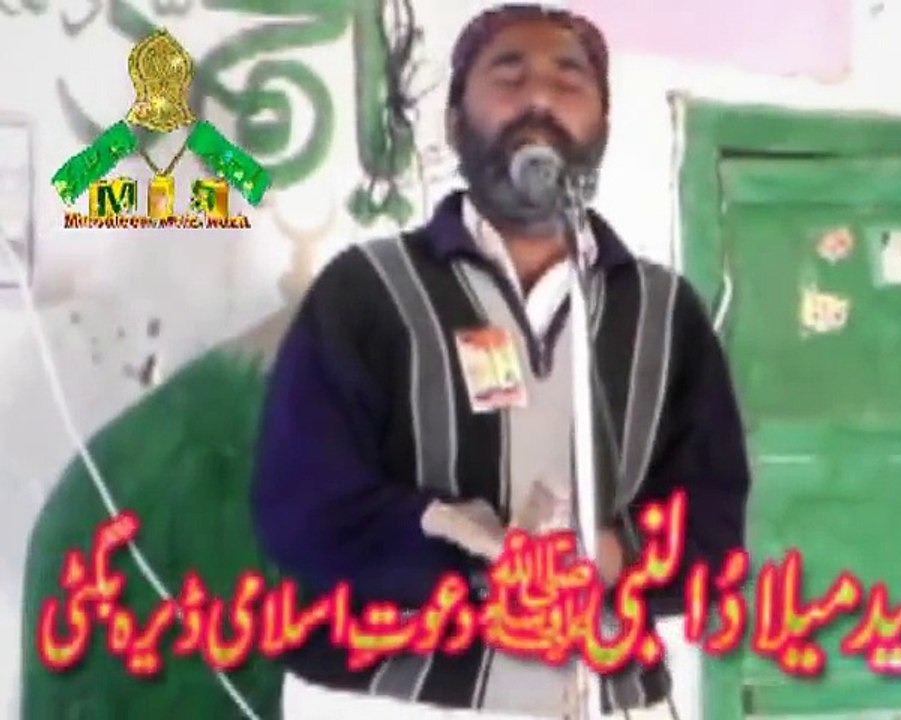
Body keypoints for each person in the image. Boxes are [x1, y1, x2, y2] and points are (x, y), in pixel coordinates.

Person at [250, 4, 751, 718]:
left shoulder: (664, 312)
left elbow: (713, 526)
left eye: (569, 79)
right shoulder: (368, 291)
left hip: (606, 695)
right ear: (456, 123)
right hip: (390, 697)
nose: (540, 95)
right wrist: (476, 553)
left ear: (603, 127)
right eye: (508, 76)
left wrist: (608, 553)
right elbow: (301, 508)